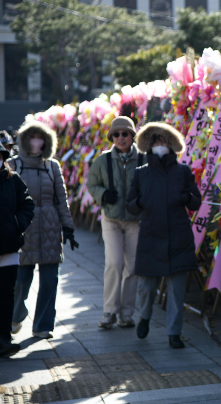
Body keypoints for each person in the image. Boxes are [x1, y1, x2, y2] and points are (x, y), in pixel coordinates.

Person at [126, 122, 201, 349]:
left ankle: (174, 333)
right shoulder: (141, 173)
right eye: (157, 142)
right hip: (150, 236)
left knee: (176, 291)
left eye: (164, 142)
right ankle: (145, 317)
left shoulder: (183, 171)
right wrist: (140, 201)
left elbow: (196, 201)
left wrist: (186, 198)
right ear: (149, 146)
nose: (161, 145)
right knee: (146, 288)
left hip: (178, 236)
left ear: (171, 145)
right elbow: (130, 205)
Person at [9, 121, 78, 339]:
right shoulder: (13, 165)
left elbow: (61, 199)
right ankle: (16, 314)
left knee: (50, 279)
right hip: (23, 226)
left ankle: (43, 325)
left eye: (40, 137)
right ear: (24, 140)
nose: (35, 142)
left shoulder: (52, 166)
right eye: (31, 137)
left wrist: (68, 226)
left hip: (49, 225)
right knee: (21, 279)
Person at [87, 116, 145, 329]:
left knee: (132, 268)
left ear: (132, 136)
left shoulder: (143, 159)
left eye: (126, 133)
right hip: (111, 219)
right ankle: (109, 311)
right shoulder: (102, 160)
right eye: (117, 134)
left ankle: (126, 314)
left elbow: (150, 185)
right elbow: (91, 184)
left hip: (135, 220)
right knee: (113, 263)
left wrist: (143, 200)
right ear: (112, 137)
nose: (121, 138)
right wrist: (103, 194)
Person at [0, 135, 34, 356]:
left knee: (6, 296)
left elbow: (27, 204)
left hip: (9, 249)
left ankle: (3, 338)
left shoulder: (12, 179)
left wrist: (18, 224)